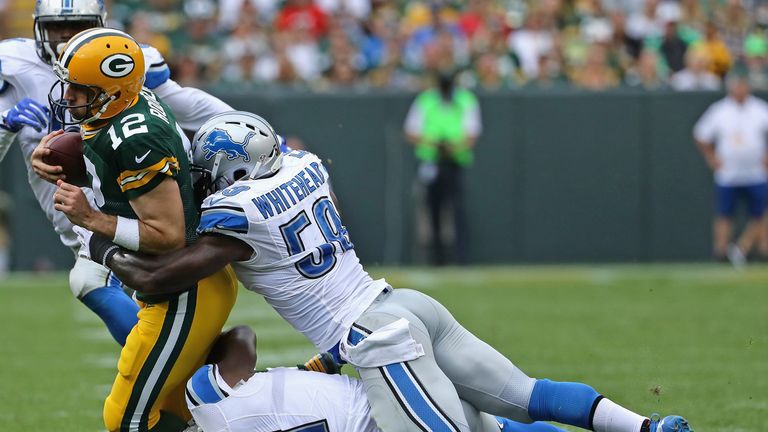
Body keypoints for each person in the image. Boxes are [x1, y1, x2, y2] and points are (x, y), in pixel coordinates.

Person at [81, 111, 692, 432]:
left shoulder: (233, 214)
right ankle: (647, 427)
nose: (203, 184)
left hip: (377, 338)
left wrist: (98, 237)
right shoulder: (303, 164)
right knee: (524, 399)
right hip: (404, 305)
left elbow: (158, 278)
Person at [31, 29, 238, 432]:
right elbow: (105, 149)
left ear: (111, 91)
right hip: (175, 283)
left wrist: (91, 219)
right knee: (188, 411)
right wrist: (58, 153)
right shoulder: (122, 105)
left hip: (184, 290)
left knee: (127, 418)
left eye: (79, 89)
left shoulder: (137, 135)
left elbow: (168, 233)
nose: (68, 96)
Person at [0, 0, 233, 346]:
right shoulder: (14, 66)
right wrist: (5, 126)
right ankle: (191, 367)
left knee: (92, 281)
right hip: (80, 219)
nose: (65, 38)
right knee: (139, 300)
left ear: (99, 25)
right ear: (36, 28)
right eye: (55, 29)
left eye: (77, 27)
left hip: (134, 205)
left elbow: (188, 105)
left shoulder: (120, 59)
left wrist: (258, 134)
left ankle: (185, 370)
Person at [183, 325, 567, 432]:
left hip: (383, 413)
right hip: (401, 407)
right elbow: (243, 338)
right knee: (504, 412)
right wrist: (315, 369)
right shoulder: (214, 407)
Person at [404, 70, 480, 265]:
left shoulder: (466, 100)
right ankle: (436, 259)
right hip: (431, 160)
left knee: (457, 210)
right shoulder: (426, 100)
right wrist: (434, 144)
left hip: (455, 162)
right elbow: (411, 132)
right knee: (432, 209)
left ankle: (462, 258)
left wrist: (452, 147)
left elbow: (472, 134)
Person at [694, 71, 768, 265]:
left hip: (755, 172)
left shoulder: (760, 109)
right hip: (728, 173)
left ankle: (747, 248)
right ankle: (721, 252)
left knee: (760, 213)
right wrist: (711, 157)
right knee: (724, 214)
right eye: (737, 85)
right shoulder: (720, 110)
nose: (740, 89)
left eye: (743, 84)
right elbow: (701, 134)